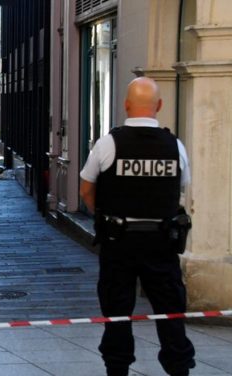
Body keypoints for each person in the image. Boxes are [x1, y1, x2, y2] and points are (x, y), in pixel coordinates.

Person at [79, 77, 195, 376]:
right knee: (170, 311)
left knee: (117, 311)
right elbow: (182, 188)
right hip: (162, 243)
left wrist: (102, 215)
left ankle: (117, 369)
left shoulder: (109, 143)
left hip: (120, 242)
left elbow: (86, 189)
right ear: (159, 106)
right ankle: (179, 368)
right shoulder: (175, 146)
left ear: (127, 105)